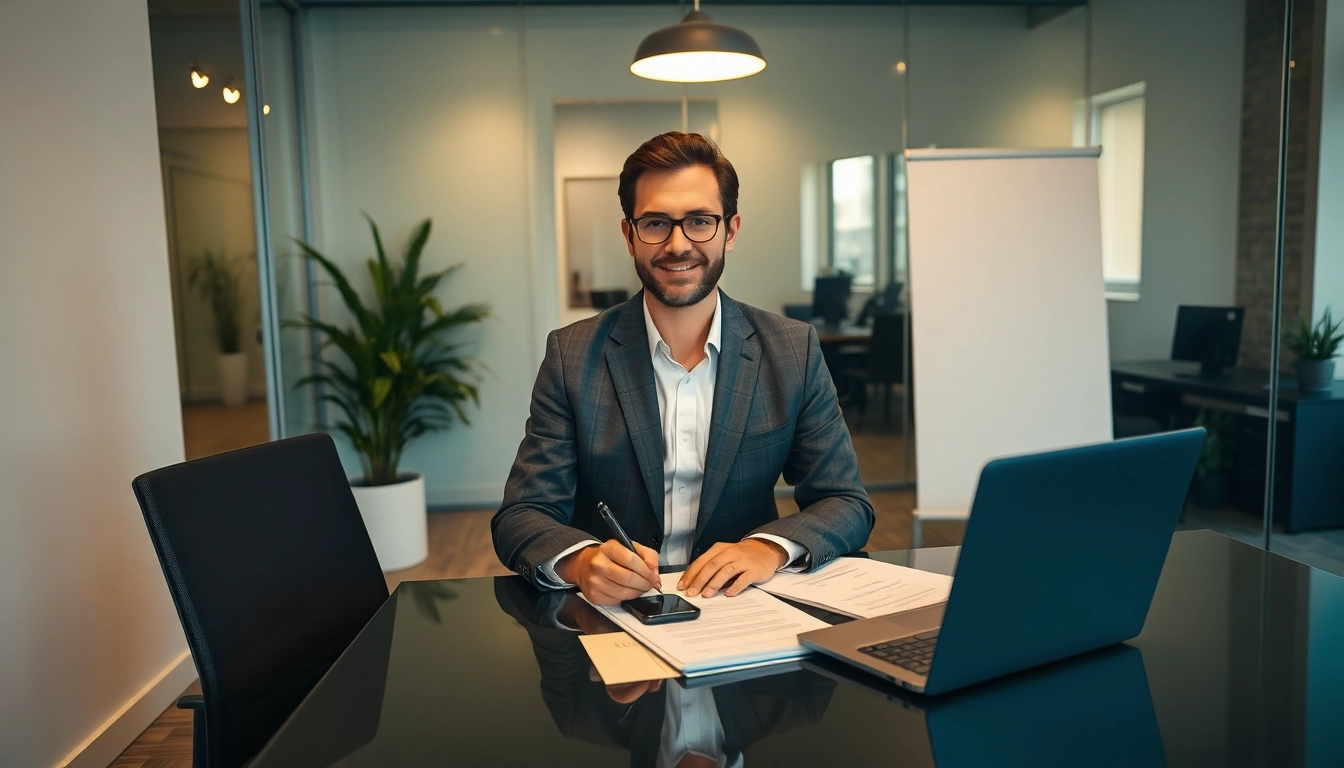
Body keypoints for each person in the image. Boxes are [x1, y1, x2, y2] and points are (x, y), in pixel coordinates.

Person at [493, 131, 873, 605]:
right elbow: (522, 514)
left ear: (730, 231)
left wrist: (767, 548)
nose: (677, 245)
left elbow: (846, 502)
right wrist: (580, 560)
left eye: (699, 221)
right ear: (629, 234)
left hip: (742, 608)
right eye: (655, 223)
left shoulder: (792, 351)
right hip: (617, 614)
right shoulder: (572, 355)